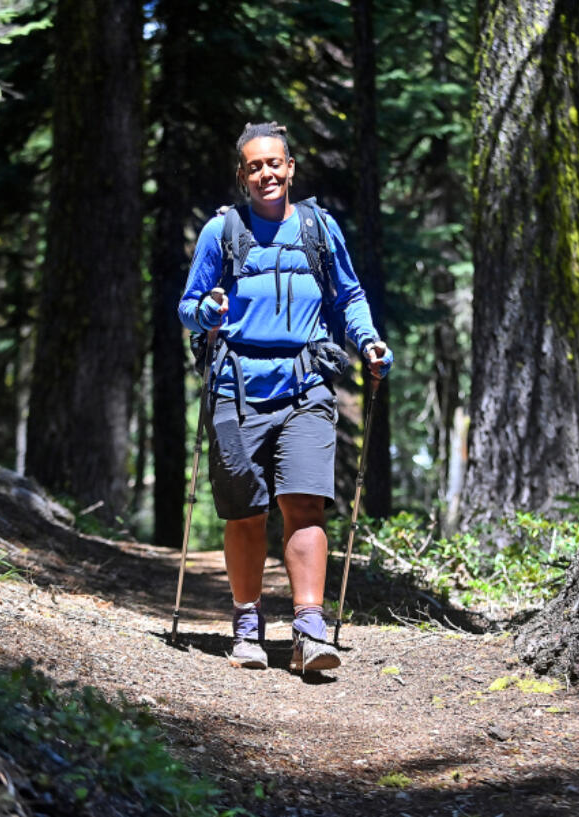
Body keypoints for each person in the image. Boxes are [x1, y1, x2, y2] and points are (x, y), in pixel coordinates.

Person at [177, 122, 392, 673]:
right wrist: (205, 313)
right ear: (242, 175)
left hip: (306, 384)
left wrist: (367, 340)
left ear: (291, 168)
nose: (267, 173)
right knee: (245, 513)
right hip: (236, 386)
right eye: (255, 166)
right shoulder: (220, 232)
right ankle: (247, 626)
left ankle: (309, 628)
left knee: (304, 503)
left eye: (275, 163)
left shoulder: (320, 228)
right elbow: (188, 305)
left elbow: (349, 295)